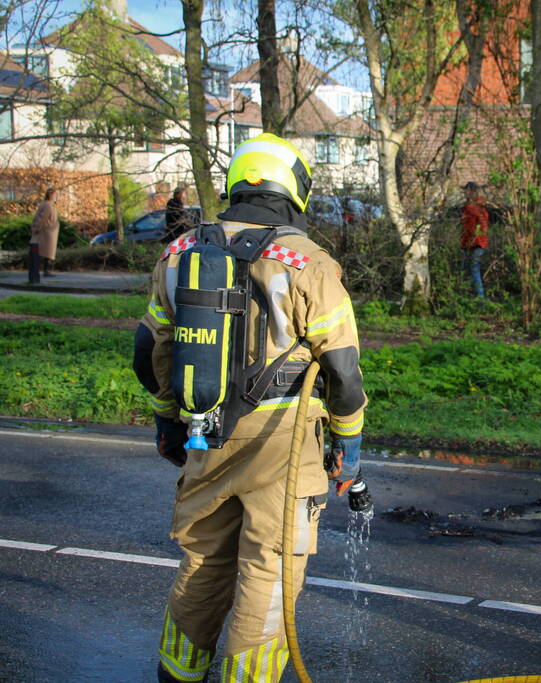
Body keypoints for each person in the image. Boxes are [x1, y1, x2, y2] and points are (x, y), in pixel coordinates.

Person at [133, 133, 371, 683]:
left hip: (203, 429)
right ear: (294, 188)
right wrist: (349, 450)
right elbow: (342, 371)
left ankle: (178, 674)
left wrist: (167, 419)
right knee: (269, 571)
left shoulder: (178, 251)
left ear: (239, 182)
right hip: (283, 443)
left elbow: (149, 349)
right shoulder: (307, 261)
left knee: (202, 562)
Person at [460, 181, 489, 299]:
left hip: (474, 243)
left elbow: (470, 228)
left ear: (471, 191)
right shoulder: (482, 208)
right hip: (481, 243)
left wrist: (468, 242)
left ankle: (478, 298)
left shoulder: (470, 209)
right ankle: (473, 296)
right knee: (471, 269)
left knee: (471, 270)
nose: (464, 193)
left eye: (466, 190)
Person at [30, 187, 59, 277]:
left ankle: (43, 271)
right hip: (47, 232)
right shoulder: (48, 205)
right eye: (55, 195)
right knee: (47, 252)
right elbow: (42, 218)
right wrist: (37, 228)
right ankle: (45, 271)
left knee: (45, 252)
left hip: (48, 231)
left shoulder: (46, 204)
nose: (56, 196)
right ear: (51, 195)